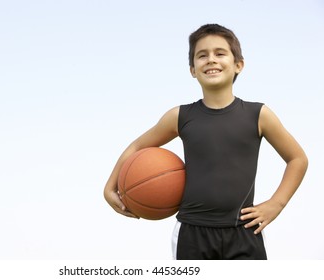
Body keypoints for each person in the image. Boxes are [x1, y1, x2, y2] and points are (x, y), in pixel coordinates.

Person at [103, 24, 308, 260]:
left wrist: (276, 203)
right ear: (192, 69)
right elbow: (137, 147)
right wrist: (110, 187)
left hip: (244, 231)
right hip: (191, 232)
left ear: (238, 65)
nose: (211, 60)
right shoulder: (180, 116)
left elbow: (297, 159)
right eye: (202, 55)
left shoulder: (259, 114)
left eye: (220, 53)